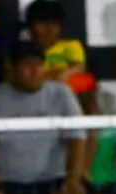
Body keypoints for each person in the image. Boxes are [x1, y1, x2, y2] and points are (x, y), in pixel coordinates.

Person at [0, 41, 88, 194]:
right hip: (5, 184)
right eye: (27, 65)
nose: (35, 71)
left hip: (52, 182)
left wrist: (74, 178)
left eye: (38, 65)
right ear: (12, 68)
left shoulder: (60, 94)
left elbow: (76, 138)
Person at [23, 0, 100, 171]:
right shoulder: (25, 49)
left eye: (53, 24)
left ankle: (83, 171)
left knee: (89, 92)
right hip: (36, 99)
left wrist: (57, 76)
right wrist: (59, 74)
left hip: (71, 98)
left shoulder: (71, 46)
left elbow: (79, 70)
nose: (48, 29)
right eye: (42, 24)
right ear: (31, 26)